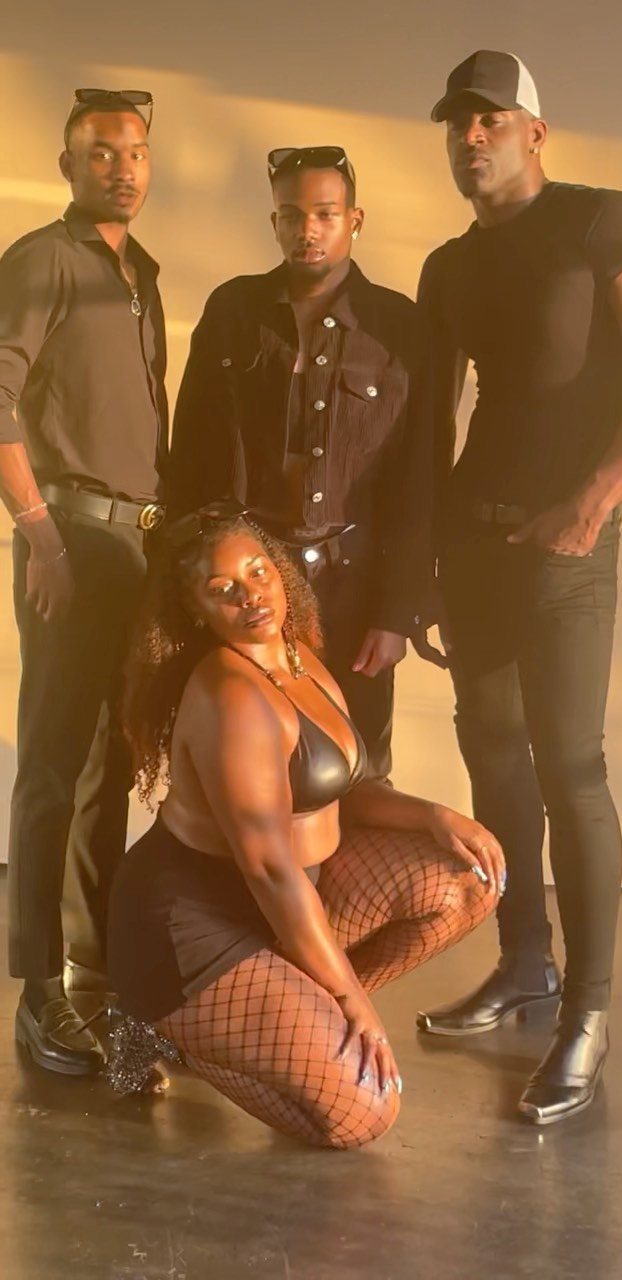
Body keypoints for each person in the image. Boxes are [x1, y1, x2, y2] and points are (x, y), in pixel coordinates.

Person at [414, 50, 622, 1123]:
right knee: (493, 749)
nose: (471, 138)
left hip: (569, 547)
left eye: (490, 120)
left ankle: (589, 1009)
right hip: (475, 543)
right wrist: (423, 563)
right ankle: (525, 963)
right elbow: (433, 424)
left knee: (572, 765)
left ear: (534, 131)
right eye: (457, 124)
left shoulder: (600, 222)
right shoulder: (449, 267)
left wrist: (594, 500)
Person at [105, 501, 504, 1148]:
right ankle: (162, 1027)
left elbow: (344, 787)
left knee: (467, 879)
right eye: (222, 589)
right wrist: (353, 1003)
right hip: (193, 935)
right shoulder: (232, 695)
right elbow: (270, 869)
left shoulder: (294, 656)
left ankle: (293, 1023)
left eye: (258, 572)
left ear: (280, 570)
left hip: (281, 907)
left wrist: (436, 816)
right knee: (363, 1113)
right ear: (195, 610)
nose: (250, 596)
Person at [167, 146, 433, 780]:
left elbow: (418, 479)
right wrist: (183, 580)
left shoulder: (399, 325)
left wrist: (396, 613)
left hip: (354, 585)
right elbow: (189, 452)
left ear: (354, 220)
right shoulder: (233, 310)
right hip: (250, 583)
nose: (307, 230)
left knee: (358, 766)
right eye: (290, 215)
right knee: (241, 763)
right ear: (274, 222)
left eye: (325, 214)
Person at [0, 88, 168, 1075]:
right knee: (53, 769)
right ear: (68, 166)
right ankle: (36, 993)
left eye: (135, 152)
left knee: (112, 771)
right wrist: (39, 536)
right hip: (66, 541)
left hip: (135, 552)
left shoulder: (141, 273)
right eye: (100, 153)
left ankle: (96, 981)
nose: (121, 168)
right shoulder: (42, 259)